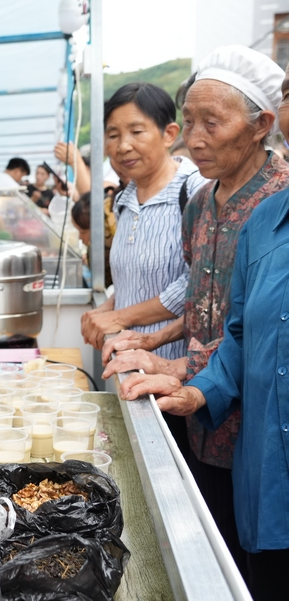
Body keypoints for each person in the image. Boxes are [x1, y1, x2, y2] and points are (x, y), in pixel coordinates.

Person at [102, 46, 289, 587]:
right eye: (190, 123)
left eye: (214, 123)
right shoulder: (202, 202)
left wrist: (180, 364)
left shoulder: (272, 198)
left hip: (256, 417)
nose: (196, 139)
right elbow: (214, 312)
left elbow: (260, 333)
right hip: (205, 402)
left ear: (262, 126)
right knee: (218, 549)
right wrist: (162, 344)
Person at [81, 83, 208, 355]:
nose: (123, 146)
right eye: (113, 135)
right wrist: (112, 305)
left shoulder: (198, 192)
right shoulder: (123, 201)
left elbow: (196, 285)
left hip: (173, 371)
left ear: (168, 134)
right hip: (127, 363)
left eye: (136, 132)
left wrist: (121, 317)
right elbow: (140, 281)